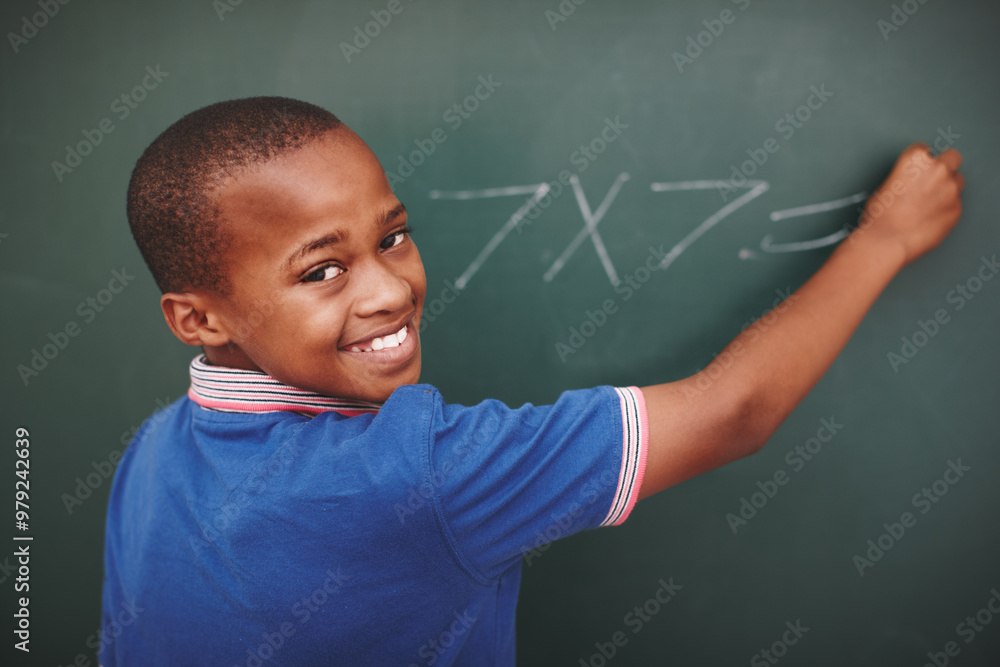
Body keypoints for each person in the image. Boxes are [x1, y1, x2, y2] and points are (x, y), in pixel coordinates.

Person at [100, 96, 963, 666]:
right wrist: (884, 239)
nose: (389, 289)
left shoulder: (151, 452)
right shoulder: (419, 472)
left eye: (392, 237)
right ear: (198, 319)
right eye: (322, 270)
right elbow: (734, 412)